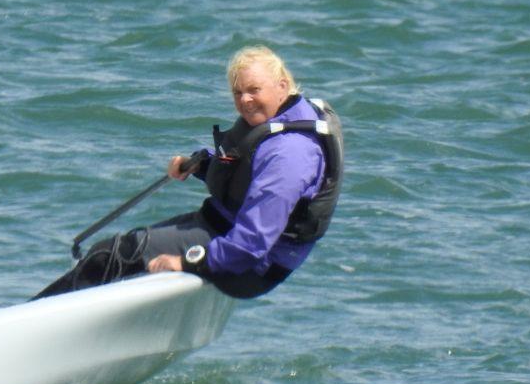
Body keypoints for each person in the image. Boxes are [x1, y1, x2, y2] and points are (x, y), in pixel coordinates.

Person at [34, 45, 343, 300]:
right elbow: (246, 173)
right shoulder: (283, 121)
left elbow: (252, 243)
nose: (244, 101)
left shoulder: (288, 155)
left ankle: (31, 322)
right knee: (125, 248)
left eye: (253, 90)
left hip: (250, 264)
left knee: (113, 256)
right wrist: (201, 165)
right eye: (237, 93)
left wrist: (186, 262)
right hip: (223, 227)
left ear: (282, 86)